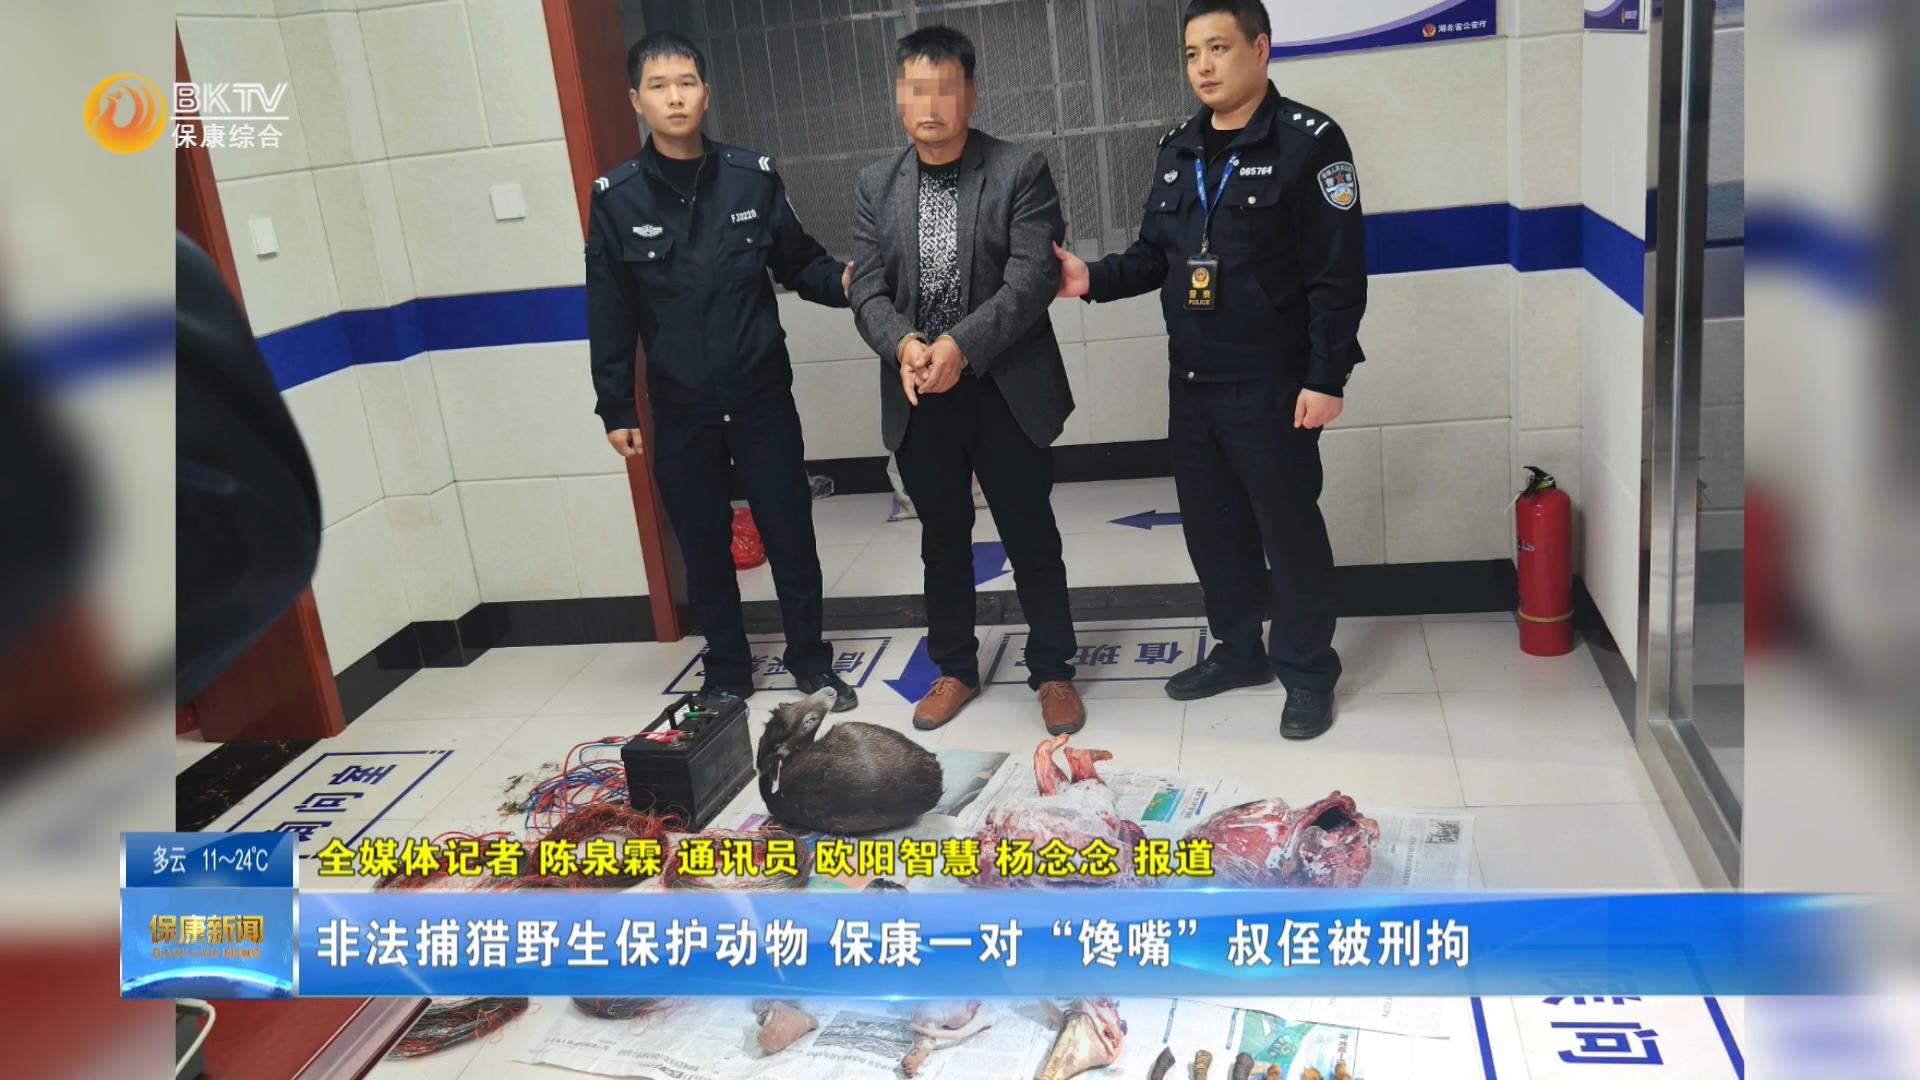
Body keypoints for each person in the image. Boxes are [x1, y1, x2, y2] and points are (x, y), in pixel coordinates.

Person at [1054, 0, 1367, 739]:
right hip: (1192, 382)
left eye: (1219, 48)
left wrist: (1327, 377)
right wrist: (1091, 278)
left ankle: (1307, 672)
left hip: (1274, 384)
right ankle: (1238, 651)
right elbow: (1155, 256)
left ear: (1261, 49)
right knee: (1213, 530)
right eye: (1192, 53)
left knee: (1288, 532)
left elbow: (1337, 274)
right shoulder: (1179, 148)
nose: (1203, 66)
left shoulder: (1309, 142)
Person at [586, 32, 860, 709]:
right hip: (681, 407)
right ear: (636, 101)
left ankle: (811, 661)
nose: (675, 97)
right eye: (658, 86)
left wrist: (853, 283)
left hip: (761, 395)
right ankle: (729, 670)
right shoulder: (617, 199)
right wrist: (615, 404)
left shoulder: (752, 177)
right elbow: (610, 311)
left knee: (789, 533)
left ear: (706, 94)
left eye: (686, 83)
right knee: (703, 544)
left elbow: (800, 263)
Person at [848, 26, 1085, 736]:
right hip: (920, 388)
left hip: (1004, 385)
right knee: (942, 539)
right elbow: (866, 287)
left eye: (944, 88)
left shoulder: (1019, 170)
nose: (930, 105)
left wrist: (960, 345)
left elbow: (1031, 279)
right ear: (899, 97)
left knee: (1029, 533)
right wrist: (906, 345)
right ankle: (954, 666)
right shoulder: (876, 186)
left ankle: (1053, 669)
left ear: (970, 94)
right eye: (916, 89)